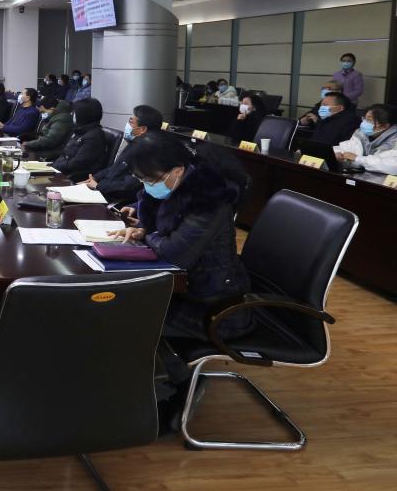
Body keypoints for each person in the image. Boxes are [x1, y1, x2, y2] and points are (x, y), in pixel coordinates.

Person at [113, 131, 252, 341]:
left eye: (149, 180)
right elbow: (162, 231)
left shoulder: (210, 200)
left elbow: (173, 253)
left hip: (215, 310)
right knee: (120, 305)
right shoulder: (176, 185)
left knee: (122, 316)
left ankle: (162, 363)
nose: (146, 186)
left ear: (177, 171)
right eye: (141, 179)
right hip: (185, 291)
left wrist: (147, 234)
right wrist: (143, 229)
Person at [81, 104, 163, 204]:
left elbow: (130, 185)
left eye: (131, 121)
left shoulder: (148, 153)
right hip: (104, 190)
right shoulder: (134, 143)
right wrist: (95, 178)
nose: (128, 125)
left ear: (142, 129)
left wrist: (98, 186)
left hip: (117, 200)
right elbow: (115, 168)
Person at [52, 98, 108, 180]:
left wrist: (54, 167)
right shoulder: (81, 131)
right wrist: (52, 166)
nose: (73, 115)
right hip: (63, 170)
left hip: (75, 177)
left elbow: (78, 163)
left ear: (84, 114)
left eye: (75, 113)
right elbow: (66, 154)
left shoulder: (94, 136)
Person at [335, 104, 397, 174]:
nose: (364, 122)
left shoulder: (394, 140)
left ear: (385, 126)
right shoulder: (362, 133)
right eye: (364, 118)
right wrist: (337, 154)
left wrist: (358, 159)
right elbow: (349, 147)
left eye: (369, 120)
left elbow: (392, 166)